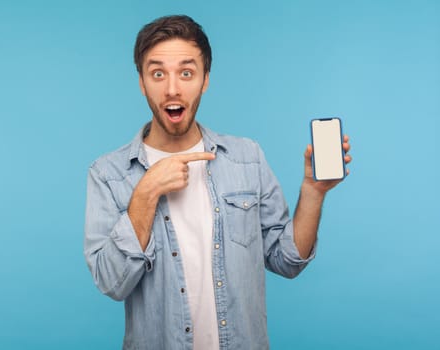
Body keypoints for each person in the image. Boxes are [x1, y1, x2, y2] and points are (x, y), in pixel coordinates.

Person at [84, 15, 351, 350]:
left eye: (186, 72)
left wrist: (313, 191)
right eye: (157, 73)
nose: (172, 88)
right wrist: (146, 192)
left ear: (205, 79)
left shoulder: (246, 157)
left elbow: (287, 260)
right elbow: (111, 282)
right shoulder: (108, 173)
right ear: (141, 81)